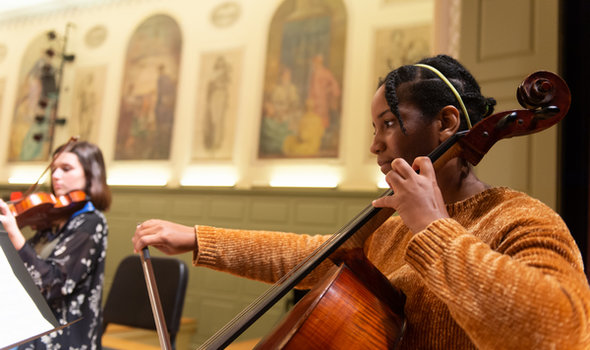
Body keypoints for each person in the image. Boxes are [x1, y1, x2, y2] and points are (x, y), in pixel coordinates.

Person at [132, 55, 590, 349]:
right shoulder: (391, 225)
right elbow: (310, 259)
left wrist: (432, 228)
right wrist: (196, 238)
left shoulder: (520, 220)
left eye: (389, 123)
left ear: (447, 122)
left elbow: (559, 330)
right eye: (375, 129)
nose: (375, 146)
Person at [0, 141, 111, 350]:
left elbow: (54, 285)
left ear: (90, 174)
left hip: (62, 335)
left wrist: (14, 234)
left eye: (66, 169)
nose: (56, 176)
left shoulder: (91, 222)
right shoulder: (51, 219)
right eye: (53, 169)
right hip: (29, 322)